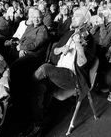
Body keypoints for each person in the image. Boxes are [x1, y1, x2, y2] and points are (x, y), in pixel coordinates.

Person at [27, 7, 96, 136]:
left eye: (77, 16)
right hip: (59, 71)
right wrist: (62, 49)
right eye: (73, 15)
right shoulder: (69, 34)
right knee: (40, 88)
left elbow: (83, 64)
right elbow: (55, 51)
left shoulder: (89, 39)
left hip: (74, 77)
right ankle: (38, 123)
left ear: (85, 20)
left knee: (45, 68)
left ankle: (26, 93)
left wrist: (79, 46)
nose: (73, 17)